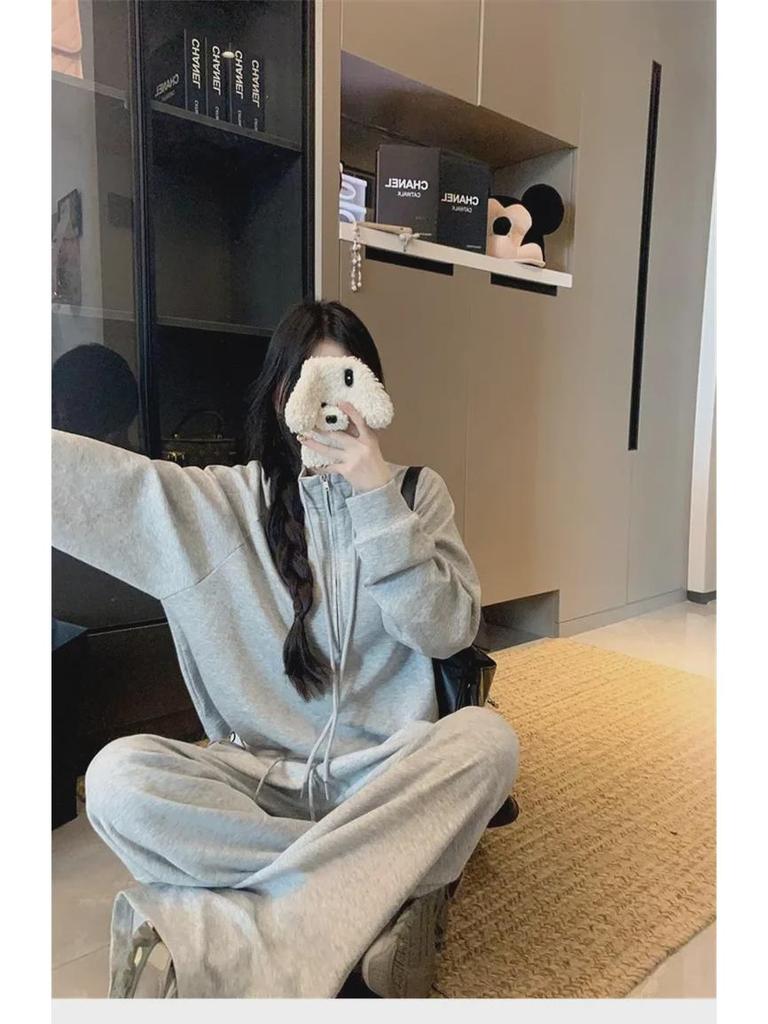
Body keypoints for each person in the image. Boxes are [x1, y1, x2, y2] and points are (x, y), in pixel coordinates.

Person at [51, 299, 519, 999]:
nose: (329, 404)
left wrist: (374, 497)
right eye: (308, 382)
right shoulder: (219, 506)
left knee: (488, 743)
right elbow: (92, 484)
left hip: (384, 779)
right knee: (119, 780)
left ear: (375, 394)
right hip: (260, 783)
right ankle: (379, 900)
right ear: (279, 398)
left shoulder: (418, 495)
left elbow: (447, 631)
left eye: (347, 380)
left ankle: (223, 928)